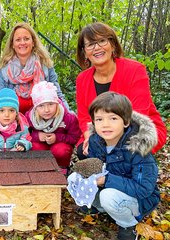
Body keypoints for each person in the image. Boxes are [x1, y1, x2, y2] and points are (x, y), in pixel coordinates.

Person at [75, 22, 166, 159]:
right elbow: (84, 117)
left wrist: (111, 140)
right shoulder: (82, 79)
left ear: (112, 44)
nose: (97, 48)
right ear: (85, 52)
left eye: (102, 41)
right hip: (101, 130)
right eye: (90, 44)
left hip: (138, 129)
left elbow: (139, 112)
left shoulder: (135, 70)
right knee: (85, 150)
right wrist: (88, 136)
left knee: (123, 154)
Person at [86, 92, 159, 240]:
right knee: (76, 177)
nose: (105, 124)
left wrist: (105, 180)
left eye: (113, 118)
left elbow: (143, 189)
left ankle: (128, 224)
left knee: (108, 196)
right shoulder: (95, 141)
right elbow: (95, 165)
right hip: (112, 188)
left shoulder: (137, 149)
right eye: (99, 119)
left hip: (141, 199)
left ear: (125, 122)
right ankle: (100, 206)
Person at [0, 22, 69, 115]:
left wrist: (71, 117)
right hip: (14, 122)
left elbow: (58, 96)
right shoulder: (5, 71)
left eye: (26, 39)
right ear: (12, 44)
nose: (22, 42)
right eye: (18, 39)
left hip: (43, 121)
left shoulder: (45, 65)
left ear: (33, 42)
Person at [25, 82, 81, 173]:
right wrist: (37, 136)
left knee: (61, 151)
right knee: (33, 147)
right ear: (35, 107)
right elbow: (24, 134)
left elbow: (75, 137)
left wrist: (57, 138)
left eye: (51, 104)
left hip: (59, 145)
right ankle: (41, 167)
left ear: (57, 103)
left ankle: (62, 168)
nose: (46, 110)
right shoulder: (30, 117)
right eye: (41, 106)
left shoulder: (68, 118)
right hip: (40, 145)